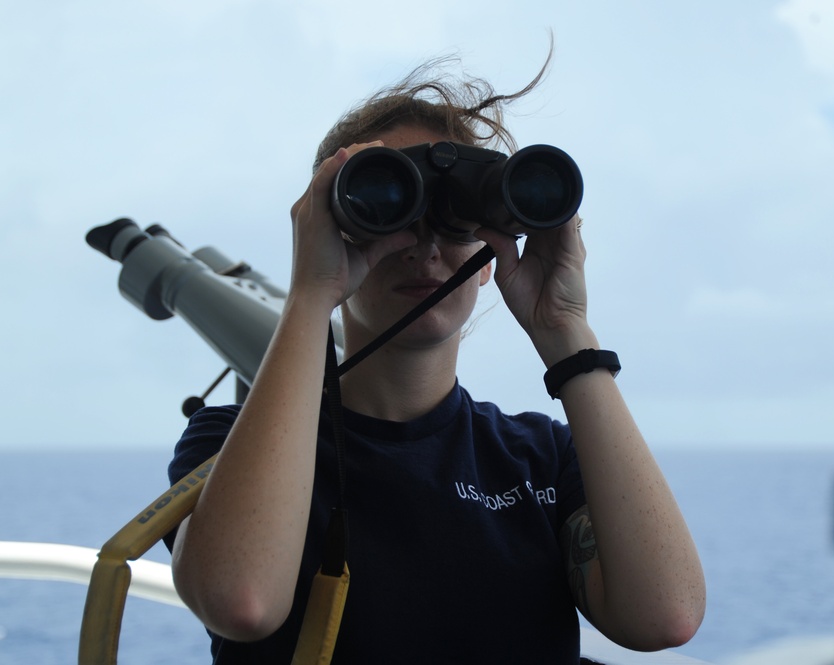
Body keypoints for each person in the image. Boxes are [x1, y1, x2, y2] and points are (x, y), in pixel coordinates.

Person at [163, 54, 706, 664]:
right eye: (390, 209)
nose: (423, 250)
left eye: (454, 217)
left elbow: (666, 615)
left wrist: (566, 330)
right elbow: (243, 601)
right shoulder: (227, 445)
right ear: (332, 227)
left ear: (488, 240)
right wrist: (311, 292)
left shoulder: (541, 459)